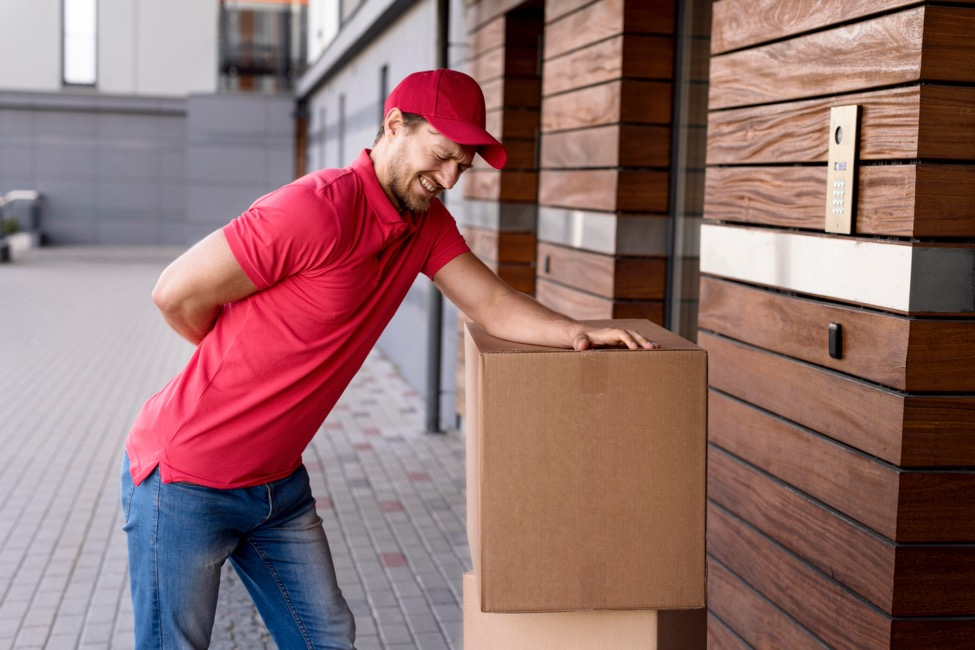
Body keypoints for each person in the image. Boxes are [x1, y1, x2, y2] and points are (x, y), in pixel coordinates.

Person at [120, 68, 658, 649]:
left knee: (327, 639)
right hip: (184, 481)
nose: (450, 177)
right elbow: (174, 293)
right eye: (444, 155)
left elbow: (494, 303)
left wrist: (578, 331)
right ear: (395, 124)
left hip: (277, 486)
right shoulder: (315, 209)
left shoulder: (424, 225)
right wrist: (233, 363)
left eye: (463, 165)